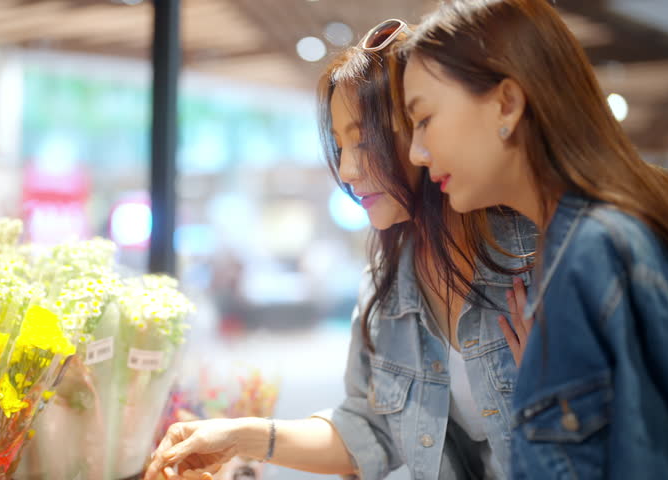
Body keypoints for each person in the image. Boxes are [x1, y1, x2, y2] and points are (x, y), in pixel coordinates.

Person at [146, 19, 535, 480]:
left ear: (423, 129)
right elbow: (370, 427)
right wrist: (239, 436)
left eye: (364, 139)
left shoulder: (538, 255)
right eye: (338, 144)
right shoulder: (387, 281)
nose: (347, 169)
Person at [400, 1, 668, 478]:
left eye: (424, 118)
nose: (417, 152)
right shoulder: (585, 241)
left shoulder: (592, 252)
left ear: (507, 103)